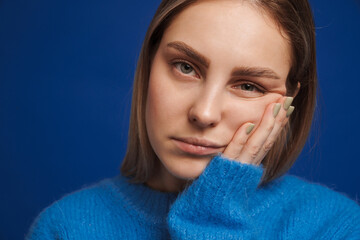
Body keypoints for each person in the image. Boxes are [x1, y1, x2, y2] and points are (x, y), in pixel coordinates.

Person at [26, 0, 360, 239]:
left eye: (247, 85)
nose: (204, 113)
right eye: (186, 67)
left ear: (288, 102)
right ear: (150, 63)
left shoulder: (336, 227)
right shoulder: (65, 228)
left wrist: (213, 218)